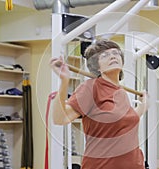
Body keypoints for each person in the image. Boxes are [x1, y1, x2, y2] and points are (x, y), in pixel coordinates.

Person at [50, 39, 148, 169]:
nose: (112, 56)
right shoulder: (91, 88)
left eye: (115, 53)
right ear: (97, 66)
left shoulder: (121, 93)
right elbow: (60, 118)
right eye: (105, 55)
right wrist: (64, 82)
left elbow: (125, 120)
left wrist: (143, 105)